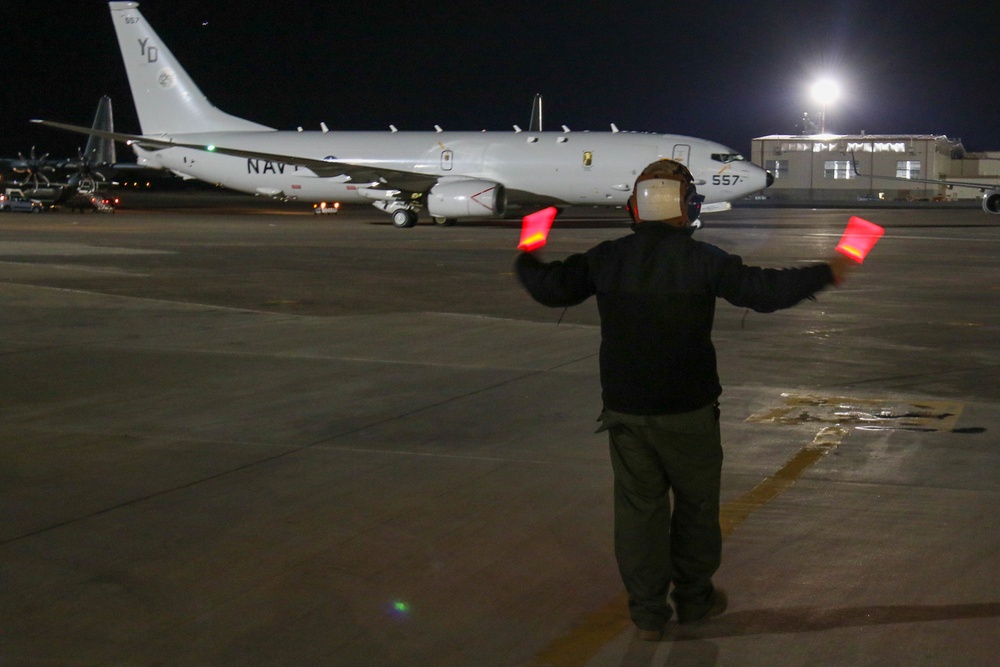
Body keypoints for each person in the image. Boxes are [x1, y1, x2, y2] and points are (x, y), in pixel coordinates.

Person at [514, 159, 853, 640]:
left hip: (627, 411)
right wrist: (827, 271)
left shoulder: (607, 257)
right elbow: (765, 291)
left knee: (638, 512)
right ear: (689, 207)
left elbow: (550, 288)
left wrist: (529, 244)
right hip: (688, 411)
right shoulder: (705, 260)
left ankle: (648, 613)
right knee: (695, 508)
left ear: (635, 207)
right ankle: (694, 601)